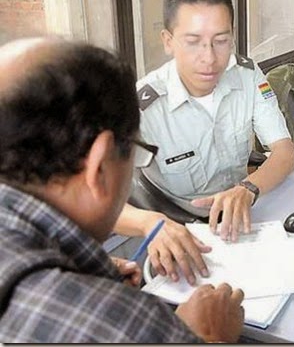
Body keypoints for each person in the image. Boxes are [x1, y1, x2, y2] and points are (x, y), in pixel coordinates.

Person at [0, 38, 244, 343]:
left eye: (220, 40)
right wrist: (207, 336)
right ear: (99, 166)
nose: (208, 57)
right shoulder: (123, 326)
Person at [115, 0, 294, 285]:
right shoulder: (141, 107)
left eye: (221, 40)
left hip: (243, 222)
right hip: (179, 235)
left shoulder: (247, 75)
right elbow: (98, 202)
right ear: (168, 40)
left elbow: (285, 151)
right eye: (193, 41)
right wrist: (150, 223)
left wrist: (248, 188)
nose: (210, 57)